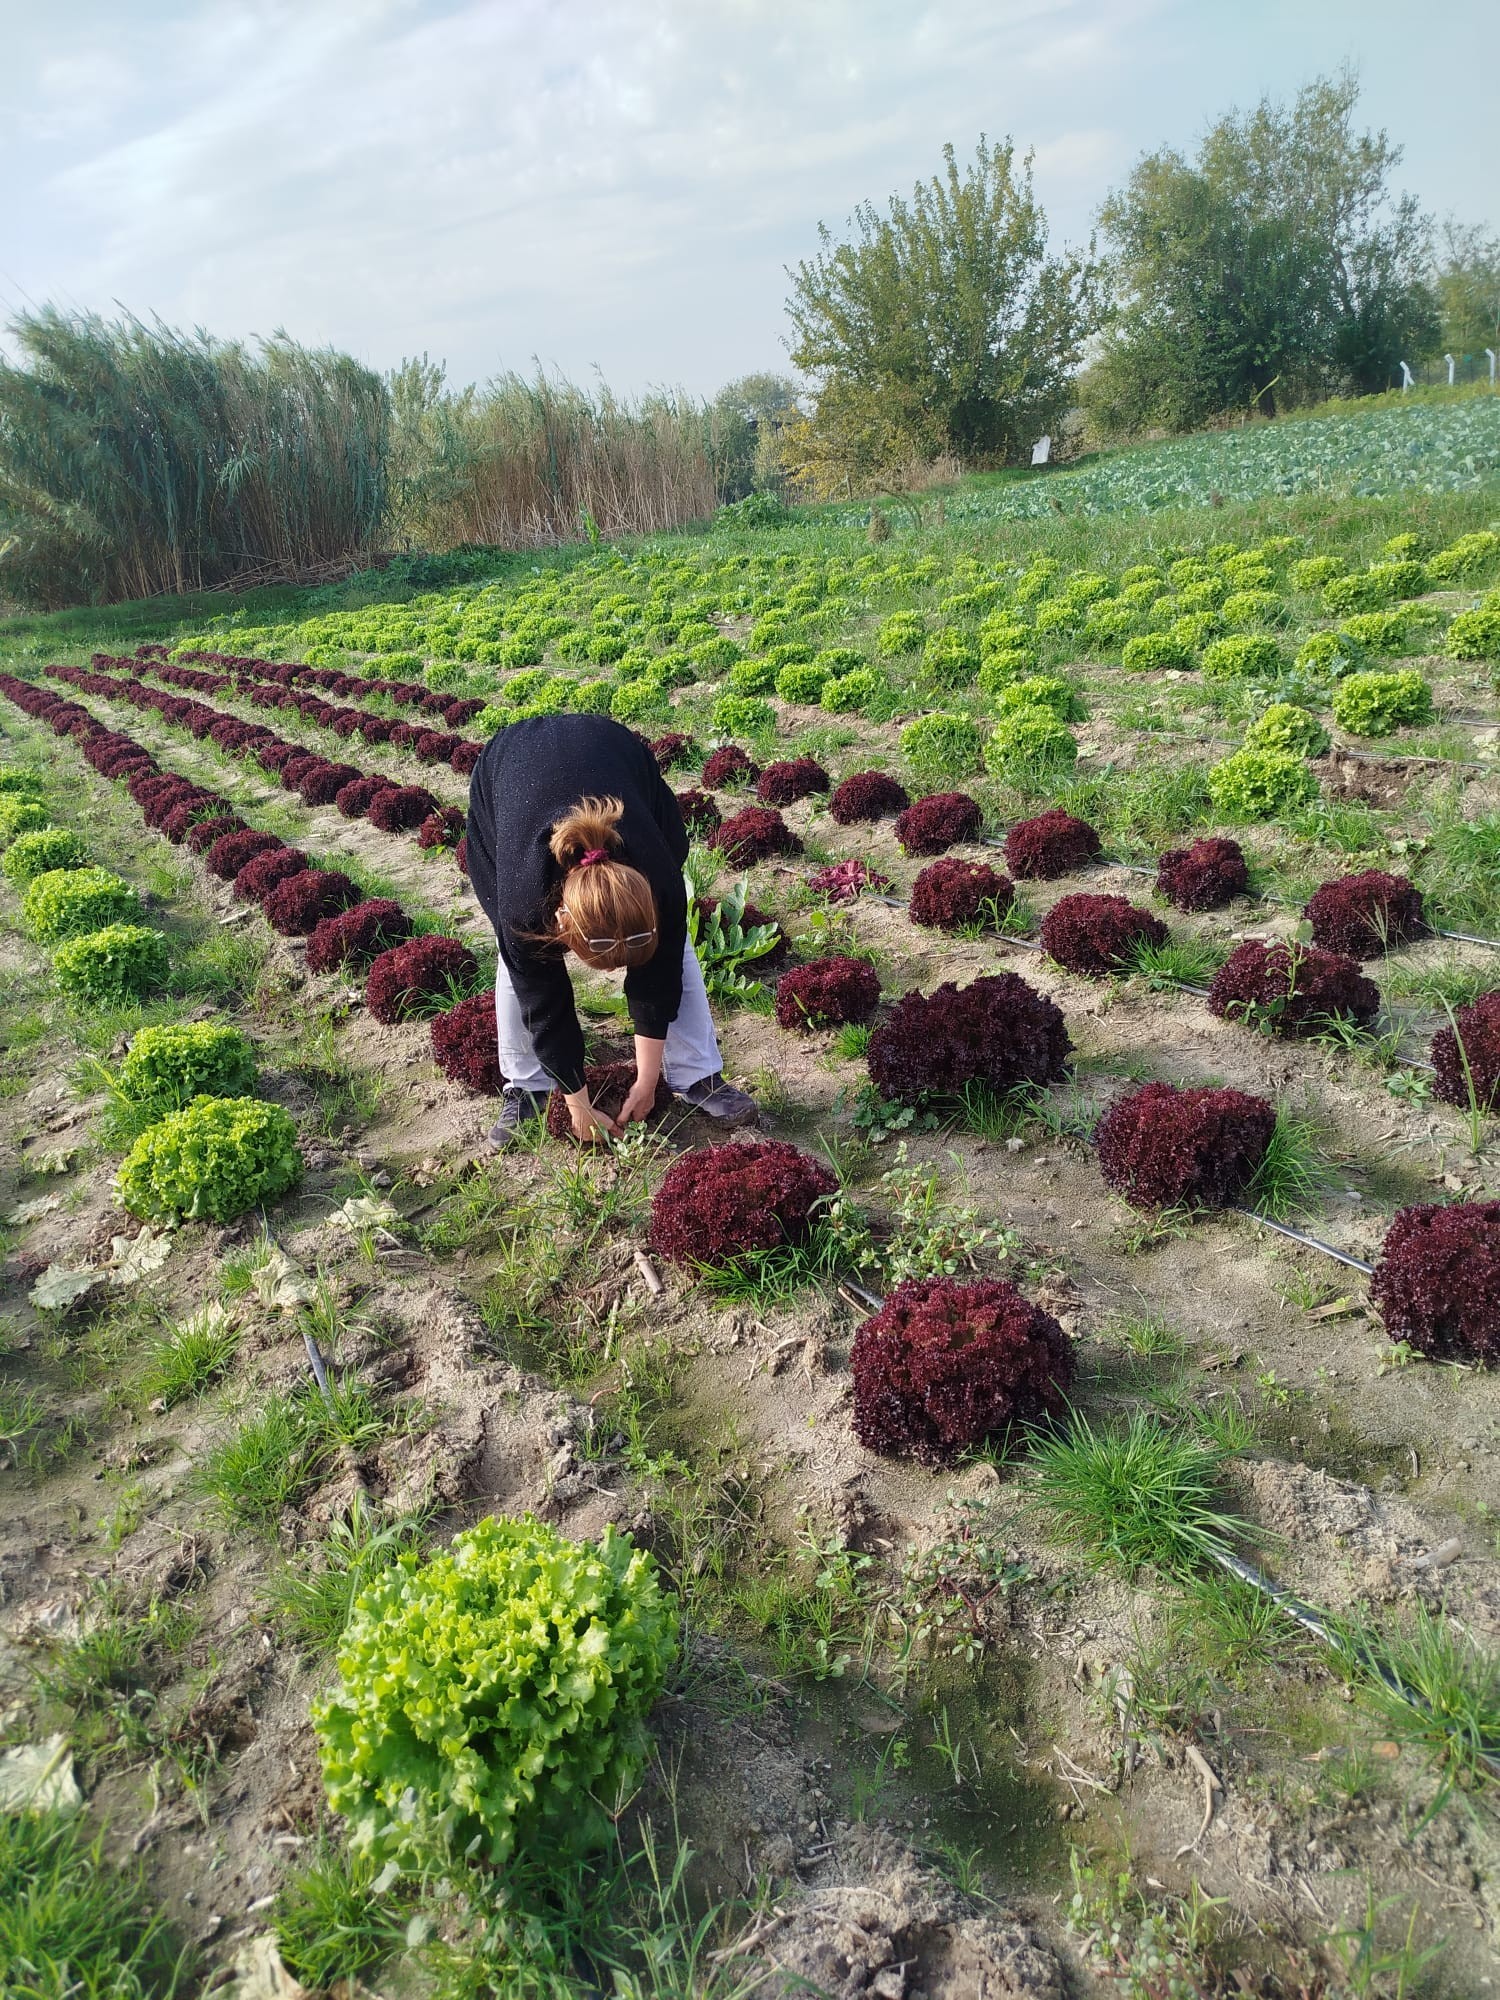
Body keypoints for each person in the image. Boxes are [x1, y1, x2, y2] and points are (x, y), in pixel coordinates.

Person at [465, 712, 757, 1147]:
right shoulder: (525, 900)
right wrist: (578, 1105)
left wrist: (647, 1080)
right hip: (508, 771)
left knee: (674, 952)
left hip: (612, 750)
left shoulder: (660, 880)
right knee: (520, 960)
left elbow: (659, 976)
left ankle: (697, 1074)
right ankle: (527, 1086)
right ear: (562, 923)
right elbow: (546, 1005)